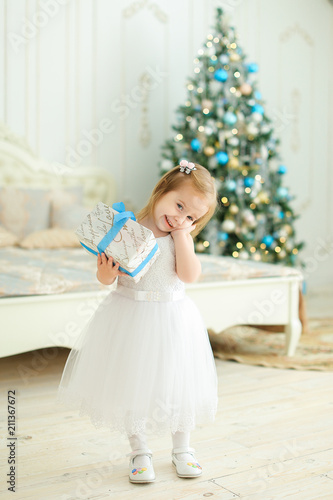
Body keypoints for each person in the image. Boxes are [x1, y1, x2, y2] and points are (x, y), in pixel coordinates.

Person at [57, 160, 218, 483]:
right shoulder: (127, 228)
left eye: (191, 217)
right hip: (131, 316)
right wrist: (106, 270)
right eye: (178, 205)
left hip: (173, 319)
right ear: (162, 190)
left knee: (177, 383)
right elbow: (106, 278)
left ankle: (182, 448)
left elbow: (189, 275)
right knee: (132, 383)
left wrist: (184, 236)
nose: (180, 218)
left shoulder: (179, 236)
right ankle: (139, 450)